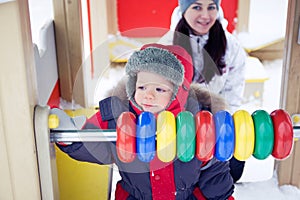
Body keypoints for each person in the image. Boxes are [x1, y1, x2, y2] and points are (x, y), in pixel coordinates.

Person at [57, 43, 235, 199]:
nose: (148, 95)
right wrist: (72, 138)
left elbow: (213, 172)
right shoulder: (117, 116)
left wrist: (222, 197)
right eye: (142, 87)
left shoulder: (200, 122)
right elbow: (95, 146)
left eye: (159, 89)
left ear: (179, 93)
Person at [159, 0, 247, 183]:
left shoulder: (230, 46)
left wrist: (223, 124)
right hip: (179, 121)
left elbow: (233, 91)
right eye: (197, 7)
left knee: (232, 168)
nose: (205, 15)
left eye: (211, 7)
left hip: (214, 117)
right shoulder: (166, 45)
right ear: (184, 10)